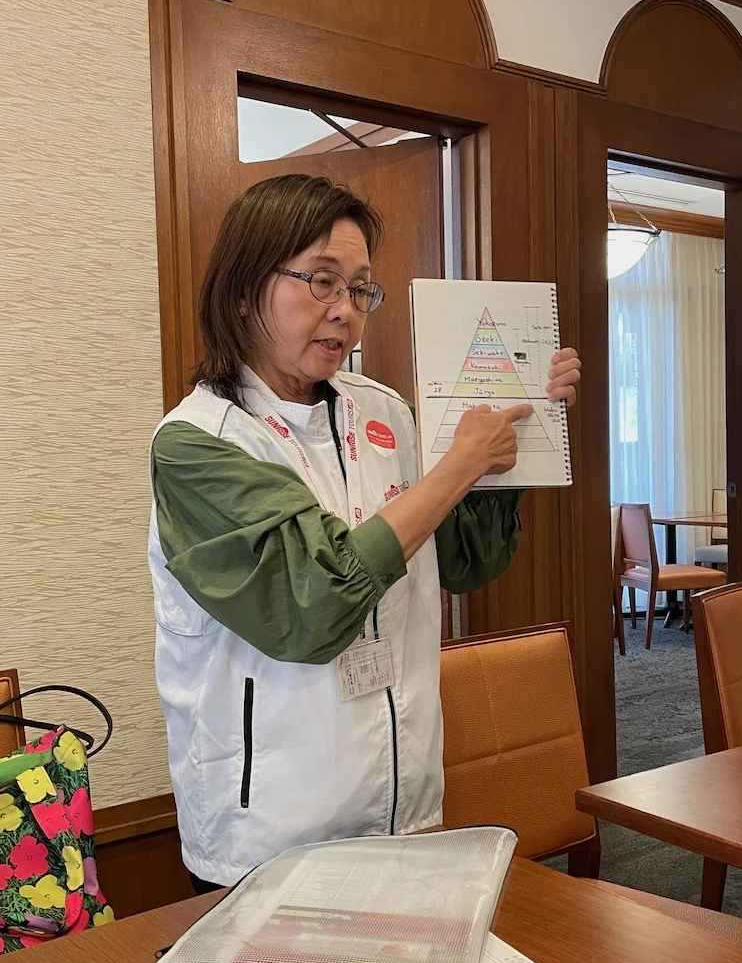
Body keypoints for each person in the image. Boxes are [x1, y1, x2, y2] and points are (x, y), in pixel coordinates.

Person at [148, 174, 581, 892]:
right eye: (320, 282)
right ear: (242, 288)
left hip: (403, 797)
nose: (345, 311)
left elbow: (466, 561)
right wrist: (454, 470)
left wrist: (517, 437)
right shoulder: (200, 443)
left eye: (359, 290)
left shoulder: (384, 412)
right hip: (274, 827)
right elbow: (311, 606)